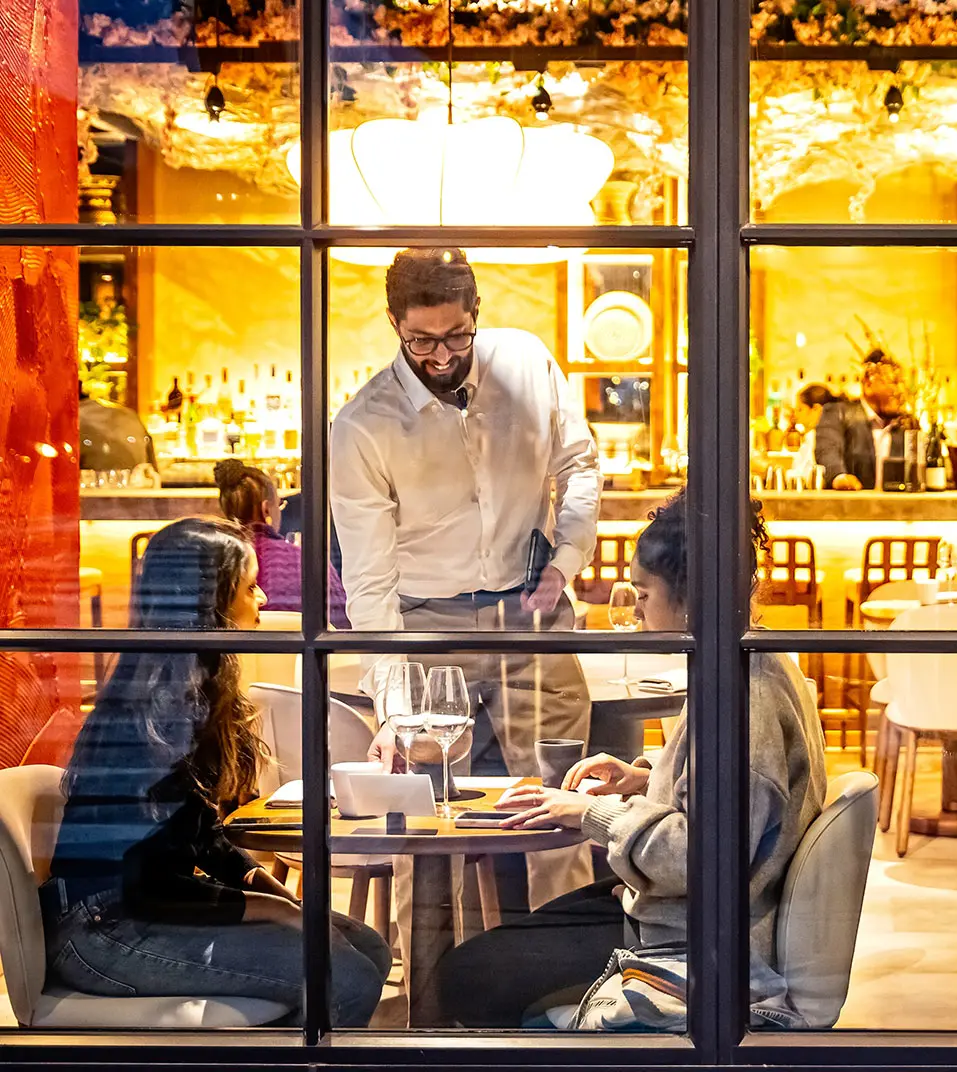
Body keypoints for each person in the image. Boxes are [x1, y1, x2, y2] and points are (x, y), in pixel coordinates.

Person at [435, 492, 827, 1028]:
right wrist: (643, 778)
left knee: (463, 976)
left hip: (700, 938)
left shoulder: (746, 698)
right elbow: (728, 800)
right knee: (496, 949)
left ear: (691, 596)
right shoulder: (744, 660)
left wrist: (589, 814)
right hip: (675, 911)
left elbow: (703, 853)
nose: (636, 607)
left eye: (643, 593)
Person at [331, 247, 602, 914]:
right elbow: (370, 579)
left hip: (530, 621)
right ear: (394, 322)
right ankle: (435, 1003)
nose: (442, 354)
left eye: (456, 334)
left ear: (476, 314)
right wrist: (391, 701)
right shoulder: (363, 425)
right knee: (426, 831)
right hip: (426, 626)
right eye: (422, 339)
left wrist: (565, 562)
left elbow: (581, 466)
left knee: (560, 816)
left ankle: (563, 987)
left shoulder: (528, 364)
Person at [41, 517, 391, 1026]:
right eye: (250, 587)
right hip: (102, 929)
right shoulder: (159, 709)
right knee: (347, 975)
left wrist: (266, 889)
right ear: (211, 602)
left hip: (137, 911)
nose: (264, 600)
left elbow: (198, 835)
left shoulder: (191, 684)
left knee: (370, 949)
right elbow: (148, 887)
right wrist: (271, 912)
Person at [214, 458, 351, 629]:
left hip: (237, 654)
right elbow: (340, 624)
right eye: (279, 505)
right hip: (300, 654)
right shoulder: (308, 561)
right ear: (266, 510)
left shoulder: (214, 564)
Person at [815, 351, 911, 491]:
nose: (900, 391)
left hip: (898, 510)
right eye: (894, 382)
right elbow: (828, 451)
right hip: (850, 509)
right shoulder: (838, 414)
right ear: (868, 384)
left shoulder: (906, 425)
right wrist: (839, 477)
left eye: (902, 383)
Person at [78, 385, 155, 472]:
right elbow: (152, 470)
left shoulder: (74, 417)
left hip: (96, 482)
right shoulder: (128, 414)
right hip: (138, 482)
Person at [790, 382, 837, 482]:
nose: (796, 415)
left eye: (800, 409)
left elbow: (805, 475)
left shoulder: (817, 437)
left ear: (816, 409)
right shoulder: (810, 435)